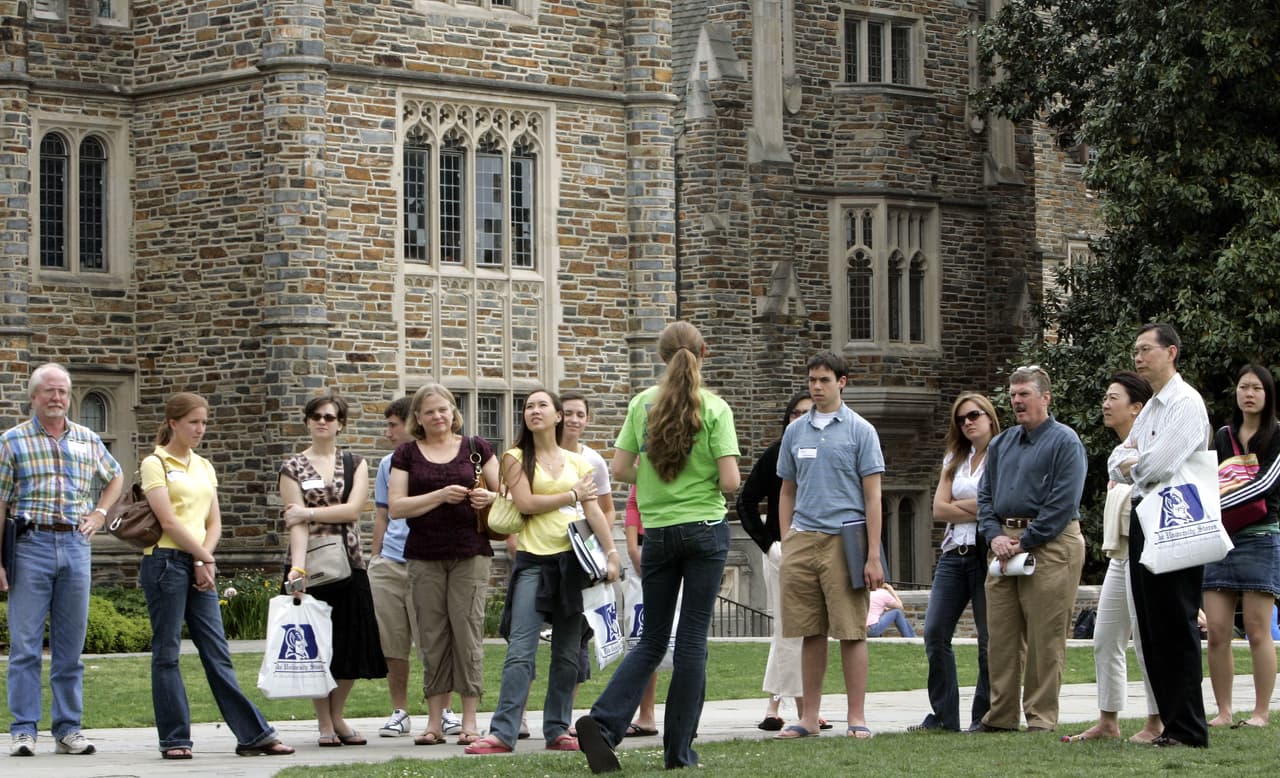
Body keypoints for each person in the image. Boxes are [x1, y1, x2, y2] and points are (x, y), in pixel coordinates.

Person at [576, 320, 740, 773]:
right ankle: (678, 752)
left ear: (661, 357)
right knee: (690, 642)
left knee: (650, 639)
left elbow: (621, 468)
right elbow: (729, 481)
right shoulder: (714, 408)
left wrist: (657, 473)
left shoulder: (641, 404)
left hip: (659, 533)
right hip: (705, 529)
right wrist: (696, 474)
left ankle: (605, 723)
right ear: (703, 352)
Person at [465, 389, 620, 755]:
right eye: (528, 406)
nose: (534, 411)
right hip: (534, 562)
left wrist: (611, 553)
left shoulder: (579, 462)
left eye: (541, 406)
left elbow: (595, 511)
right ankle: (502, 732)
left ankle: (557, 729)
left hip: (573, 566)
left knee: (568, 653)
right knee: (521, 650)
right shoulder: (515, 457)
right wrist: (572, 495)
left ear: (557, 417)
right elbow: (526, 503)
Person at [140, 392, 294, 760]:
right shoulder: (154, 463)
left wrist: (203, 560)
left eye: (204, 422)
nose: (200, 429)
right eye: (193, 422)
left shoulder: (204, 466)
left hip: (197, 560)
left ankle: (253, 735)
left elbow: (214, 521)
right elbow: (168, 521)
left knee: (217, 652)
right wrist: (204, 557)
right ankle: (175, 739)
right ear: (173, 423)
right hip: (164, 562)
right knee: (167, 653)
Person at [1, 363, 123, 757]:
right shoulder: (11, 441)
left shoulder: (88, 440)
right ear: (34, 397)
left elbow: (116, 476)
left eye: (63, 392)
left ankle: (68, 729)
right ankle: (23, 730)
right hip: (29, 545)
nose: (57, 399)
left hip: (75, 545)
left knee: (71, 648)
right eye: (49, 392)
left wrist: (100, 513)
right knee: (25, 647)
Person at [771, 350, 883, 742]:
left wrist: (872, 554)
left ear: (842, 382)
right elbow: (786, 491)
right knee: (809, 630)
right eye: (811, 380)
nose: (816, 387)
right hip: (803, 539)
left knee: (851, 631)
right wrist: (787, 540)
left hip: (845, 540)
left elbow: (873, 497)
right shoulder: (795, 432)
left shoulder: (860, 431)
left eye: (824, 380)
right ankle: (809, 718)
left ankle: (857, 717)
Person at [1110, 323, 1212, 748]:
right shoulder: (1150, 409)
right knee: (1151, 627)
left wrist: (1136, 462)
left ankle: (1189, 729)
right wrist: (1135, 462)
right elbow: (1116, 461)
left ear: (1171, 352)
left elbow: (1159, 466)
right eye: (1135, 349)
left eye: (1146, 349)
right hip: (1144, 517)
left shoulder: (1186, 404)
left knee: (1175, 622)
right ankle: (1171, 725)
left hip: (1176, 519)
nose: (1138, 356)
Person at [974, 365, 1086, 734]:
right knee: (1001, 636)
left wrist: (1024, 540)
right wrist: (994, 536)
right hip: (1003, 544)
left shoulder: (1065, 442)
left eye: (1024, 393)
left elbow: (1062, 502)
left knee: (1045, 635)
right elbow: (985, 495)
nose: (1017, 401)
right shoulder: (1002, 443)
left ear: (1045, 398)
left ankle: (1040, 718)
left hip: (1051, 545)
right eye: (1013, 394)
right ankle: (1001, 717)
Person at [388, 383, 499, 747]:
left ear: (454, 412)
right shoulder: (407, 454)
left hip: (470, 552)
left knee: (467, 634)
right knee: (431, 638)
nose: (438, 416)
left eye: (444, 409)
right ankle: (434, 722)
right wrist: (438, 495)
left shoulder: (476, 448)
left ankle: (469, 721)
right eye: (430, 411)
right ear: (417, 417)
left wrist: (487, 496)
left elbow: (507, 496)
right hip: (424, 555)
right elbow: (397, 507)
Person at [281, 392, 386, 747]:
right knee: (317, 648)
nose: (322, 421)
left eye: (329, 416)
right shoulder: (292, 467)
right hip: (310, 566)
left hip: (350, 561)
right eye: (316, 416)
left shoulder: (355, 462)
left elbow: (353, 511)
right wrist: (297, 569)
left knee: (350, 644)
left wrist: (309, 513)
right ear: (308, 421)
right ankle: (325, 722)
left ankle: (338, 713)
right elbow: (293, 523)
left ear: (340, 423)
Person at [1062, 372, 1162, 743]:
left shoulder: (1153, 445)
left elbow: (1147, 480)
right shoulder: (1119, 452)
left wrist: (1132, 467)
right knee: (1105, 637)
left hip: (1146, 554)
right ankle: (1108, 721)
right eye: (1105, 397)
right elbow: (1119, 472)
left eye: (1113, 397)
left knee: (1145, 640)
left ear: (1137, 407)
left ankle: (1157, 720)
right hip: (1121, 555)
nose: (1105, 403)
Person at [370, 398, 463, 738]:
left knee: (437, 640)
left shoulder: (453, 458)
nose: (389, 432)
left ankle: (446, 712)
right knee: (394, 643)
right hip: (392, 562)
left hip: (431, 559)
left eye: (394, 424)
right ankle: (400, 711)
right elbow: (383, 513)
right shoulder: (388, 463)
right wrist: (375, 557)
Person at [735, 391, 824, 731]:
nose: (801, 419)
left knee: (808, 630)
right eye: (795, 414)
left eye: (808, 413)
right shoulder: (776, 454)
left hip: (820, 548)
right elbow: (745, 502)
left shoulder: (823, 453)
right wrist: (769, 543)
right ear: (787, 419)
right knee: (788, 628)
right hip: (784, 552)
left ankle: (803, 707)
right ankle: (790, 708)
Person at [912, 392, 999, 733]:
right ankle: (944, 716)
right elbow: (937, 510)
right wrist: (975, 505)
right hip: (953, 555)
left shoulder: (1001, 455)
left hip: (983, 553)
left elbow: (997, 504)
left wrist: (961, 504)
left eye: (974, 415)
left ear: (990, 417)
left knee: (988, 639)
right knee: (934, 633)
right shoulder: (954, 457)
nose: (968, 422)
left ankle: (985, 716)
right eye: (961, 418)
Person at [1203, 364, 1280, 729]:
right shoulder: (1221, 436)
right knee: (1217, 630)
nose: (1249, 394)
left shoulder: (1277, 435)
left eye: (1256, 388)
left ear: (1267, 395)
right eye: (1243, 387)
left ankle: (1261, 712)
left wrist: (1217, 503)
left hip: (1261, 537)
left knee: (1256, 628)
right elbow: (1205, 478)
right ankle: (1223, 711)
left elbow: (1267, 484)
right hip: (1221, 540)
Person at [621, 486, 659, 738]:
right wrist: (633, 549)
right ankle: (646, 714)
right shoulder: (645, 451)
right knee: (644, 633)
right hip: (649, 545)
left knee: (685, 635)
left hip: (685, 540)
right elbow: (635, 500)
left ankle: (686, 714)